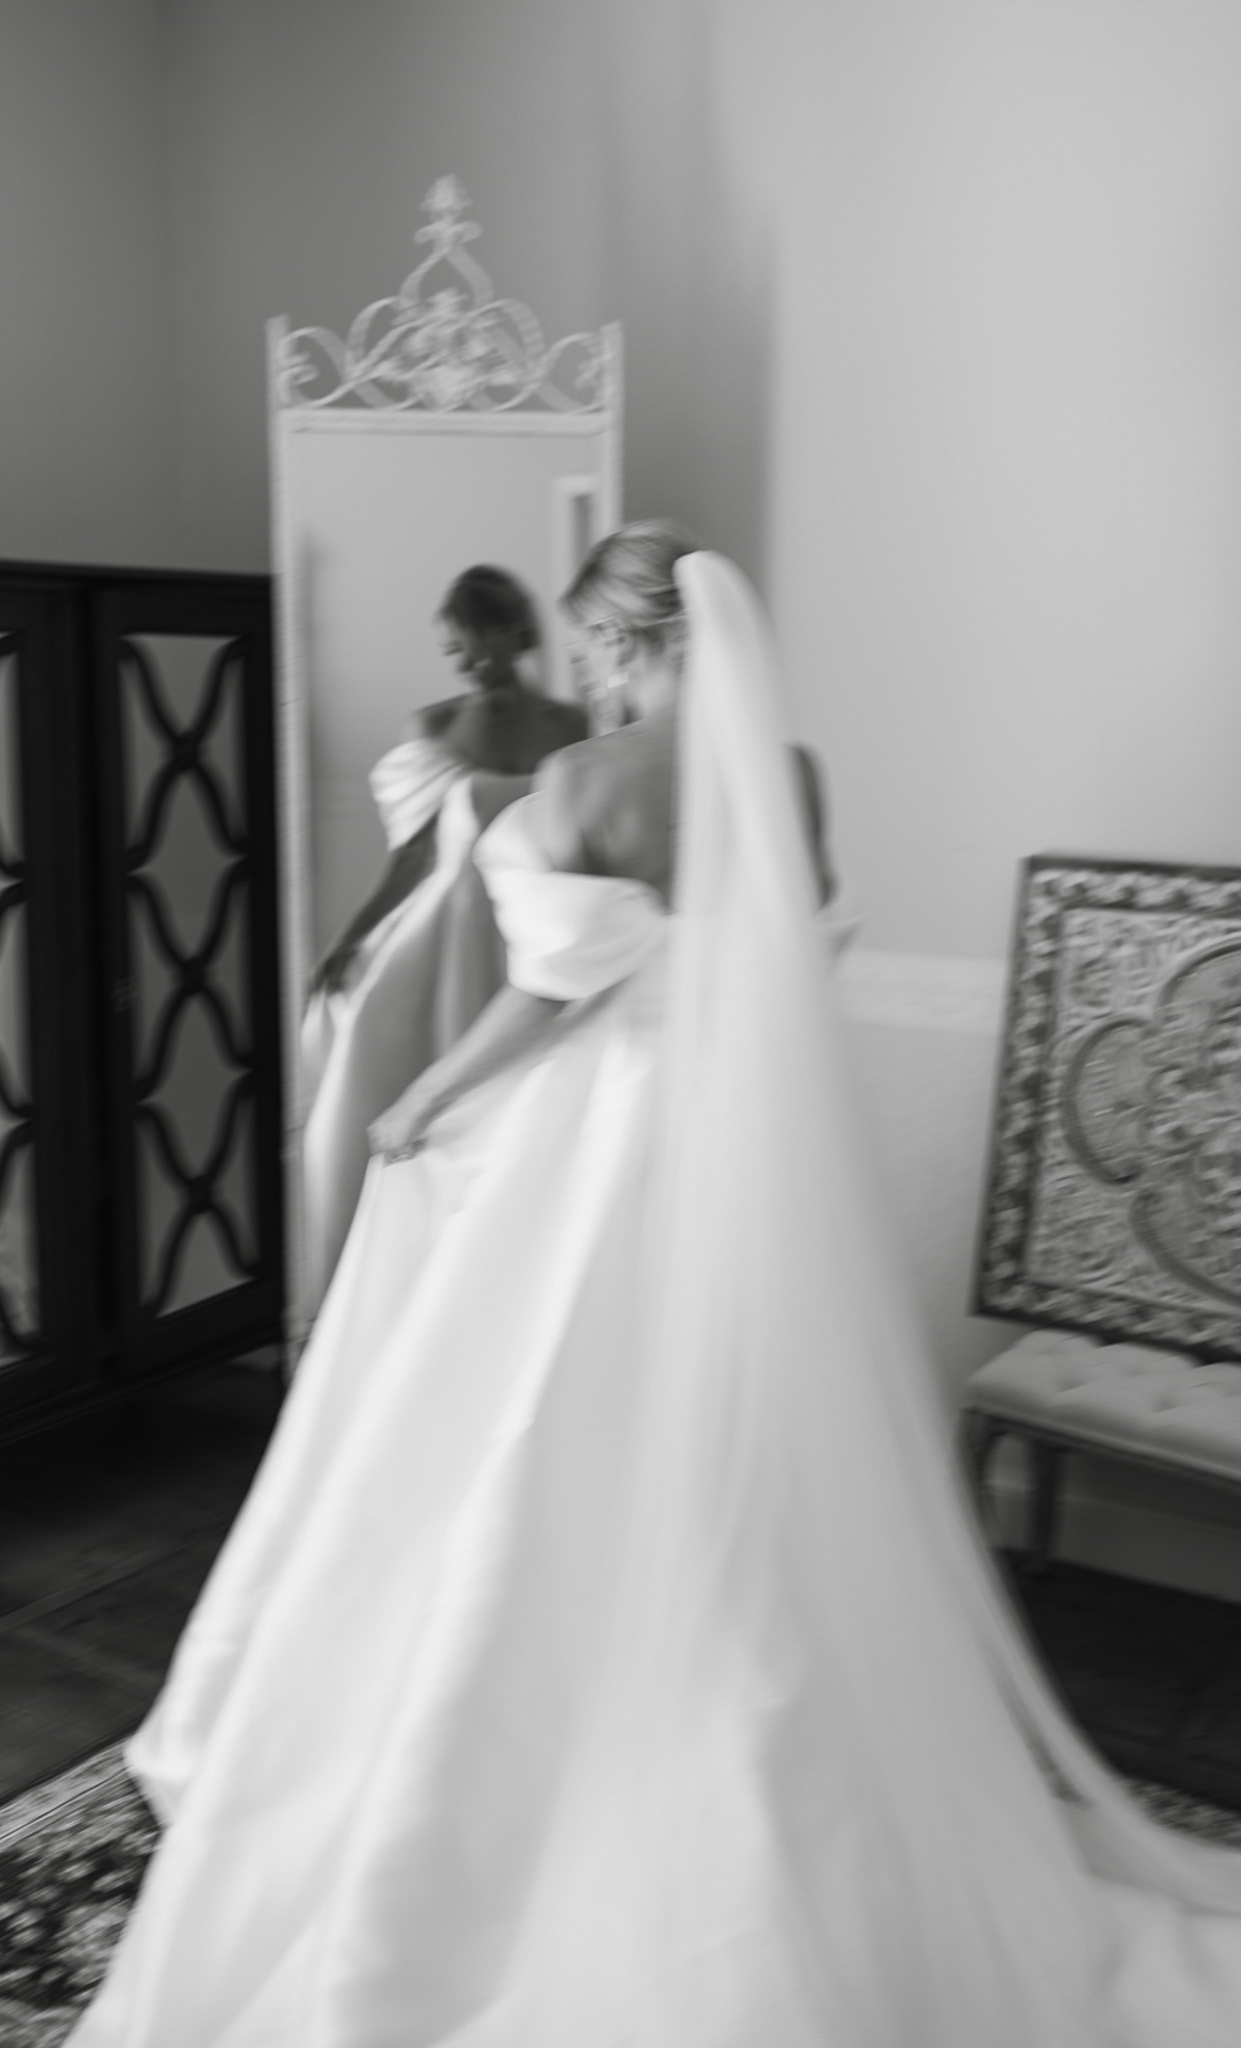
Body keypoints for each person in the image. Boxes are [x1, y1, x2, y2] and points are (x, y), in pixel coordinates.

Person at [70, 525, 1241, 2047]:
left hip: (595, 1151)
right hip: (737, 1158)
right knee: (732, 1470)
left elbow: (546, 997)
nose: (596, 682)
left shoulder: (582, 786)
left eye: (600, 654)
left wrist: (419, 1104)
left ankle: (514, 1791)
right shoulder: (792, 773)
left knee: (528, 1434)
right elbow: (789, 961)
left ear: (623, 644)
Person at [300, 564, 587, 1315]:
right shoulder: (430, 727)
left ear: (505, 633)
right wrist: (350, 937)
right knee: (402, 1093)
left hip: (529, 935)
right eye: (449, 651)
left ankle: (501, 1298)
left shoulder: (571, 727)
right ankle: (389, 1299)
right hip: (444, 929)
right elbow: (410, 855)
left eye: (466, 644)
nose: (459, 663)